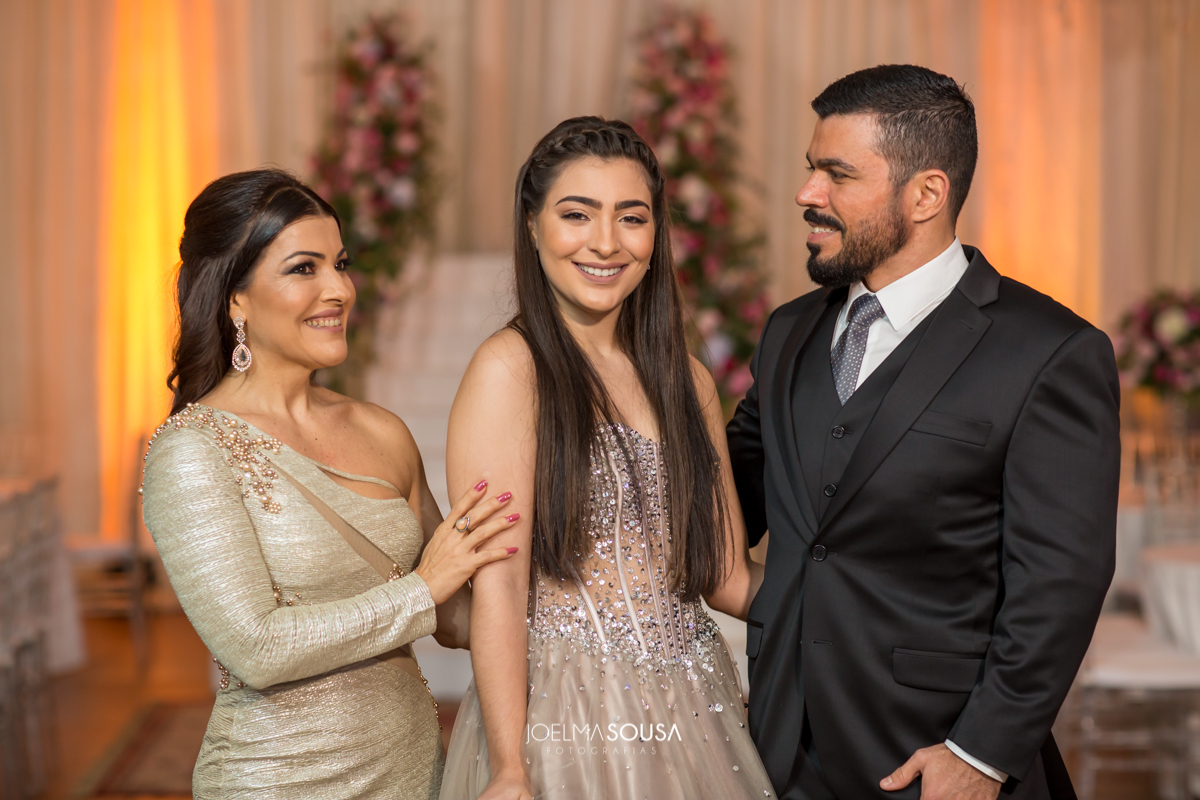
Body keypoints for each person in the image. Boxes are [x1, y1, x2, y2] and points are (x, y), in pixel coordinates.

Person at [727, 64, 1120, 800]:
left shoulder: (1050, 352)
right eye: (811, 169)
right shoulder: (788, 333)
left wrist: (980, 755)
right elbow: (724, 501)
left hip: (935, 761)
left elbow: (1059, 584)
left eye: (837, 174)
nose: (807, 193)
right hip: (779, 753)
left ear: (927, 194)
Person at [141, 168, 520, 800]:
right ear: (234, 298)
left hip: (413, 771)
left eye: (340, 265)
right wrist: (422, 589)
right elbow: (257, 649)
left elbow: (455, 620)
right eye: (303, 269)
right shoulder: (191, 451)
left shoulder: (382, 431)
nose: (339, 289)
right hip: (278, 781)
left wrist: (585, 605)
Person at [437, 117, 774, 800]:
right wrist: (508, 767)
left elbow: (726, 575)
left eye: (631, 217)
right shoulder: (510, 369)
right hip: (565, 715)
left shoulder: (685, 379)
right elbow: (499, 588)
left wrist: (859, 605)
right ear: (532, 227)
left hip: (696, 705)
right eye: (576, 214)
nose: (606, 242)